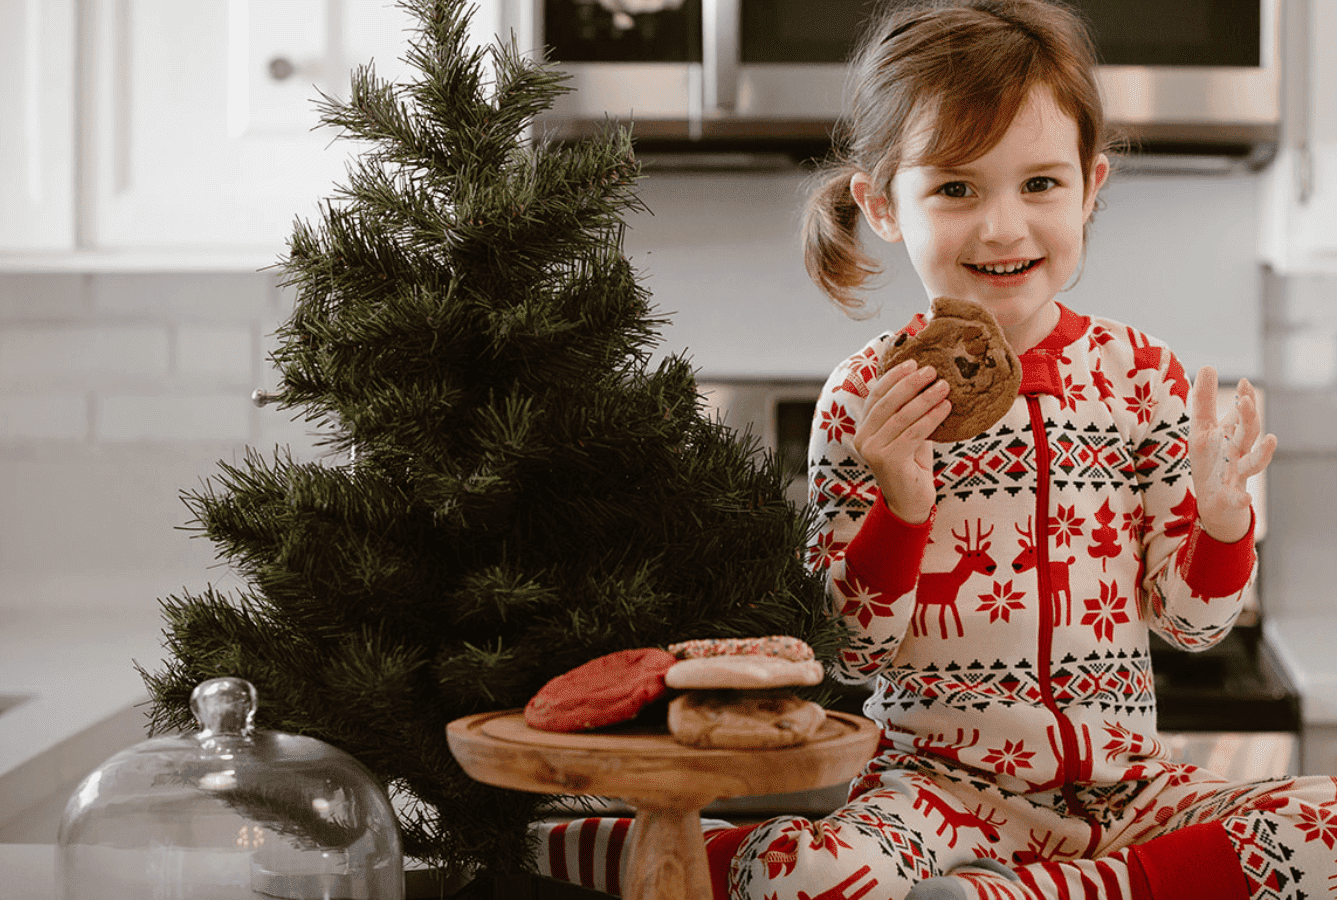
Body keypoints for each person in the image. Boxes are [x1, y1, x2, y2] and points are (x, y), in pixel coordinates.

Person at [532, 1, 1337, 898]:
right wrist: (902, 504)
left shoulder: (1143, 378)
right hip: (940, 790)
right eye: (956, 188)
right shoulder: (865, 398)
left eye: (1040, 184)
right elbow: (855, 652)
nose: (1002, 227)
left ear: (1091, 185)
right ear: (881, 204)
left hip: (1127, 788)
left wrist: (1223, 526)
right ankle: (624, 845)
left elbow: (1193, 622)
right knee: (814, 876)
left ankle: (1052, 892)